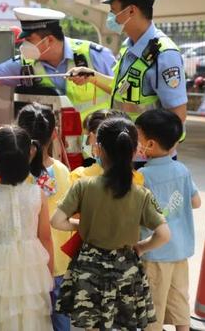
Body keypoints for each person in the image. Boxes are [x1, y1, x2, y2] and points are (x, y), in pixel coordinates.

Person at [51, 117, 171, 330]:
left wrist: (81, 225)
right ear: (134, 150)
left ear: (98, 149)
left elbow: (57, 221)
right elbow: (163, 234)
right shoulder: (141, 193)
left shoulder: (83, 186)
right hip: (127, 269)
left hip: (89, 269)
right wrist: (142, 247)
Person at [70, 0, 188, 152]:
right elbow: (123, 90)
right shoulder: (129, 46)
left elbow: (177, 116)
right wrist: (91, 76)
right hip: (125, 151)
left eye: (113, 10)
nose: (110, 16)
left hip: (147, 157)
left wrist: (157, 161)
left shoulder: (164, 54)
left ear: (131, 11)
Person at [0, 125, 54, 330]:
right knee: (31, 319)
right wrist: (49, 272)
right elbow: (45, 237)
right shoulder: (38, 194)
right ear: (30, 154)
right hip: (32, 266)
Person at [134, 109, 201, 331]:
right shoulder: (182, 169)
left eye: (138, 138)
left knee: (153, 309)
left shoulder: (143, 176)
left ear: (150, 145)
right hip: (180, 251)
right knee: (179, 302)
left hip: (154, 252)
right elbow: (196, 202)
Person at [16, 102, 72, 331]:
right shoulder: (62, 171)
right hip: (59, 261)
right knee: (60, 321)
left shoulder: (15, 176)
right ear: (54, 133)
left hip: (26, 263)